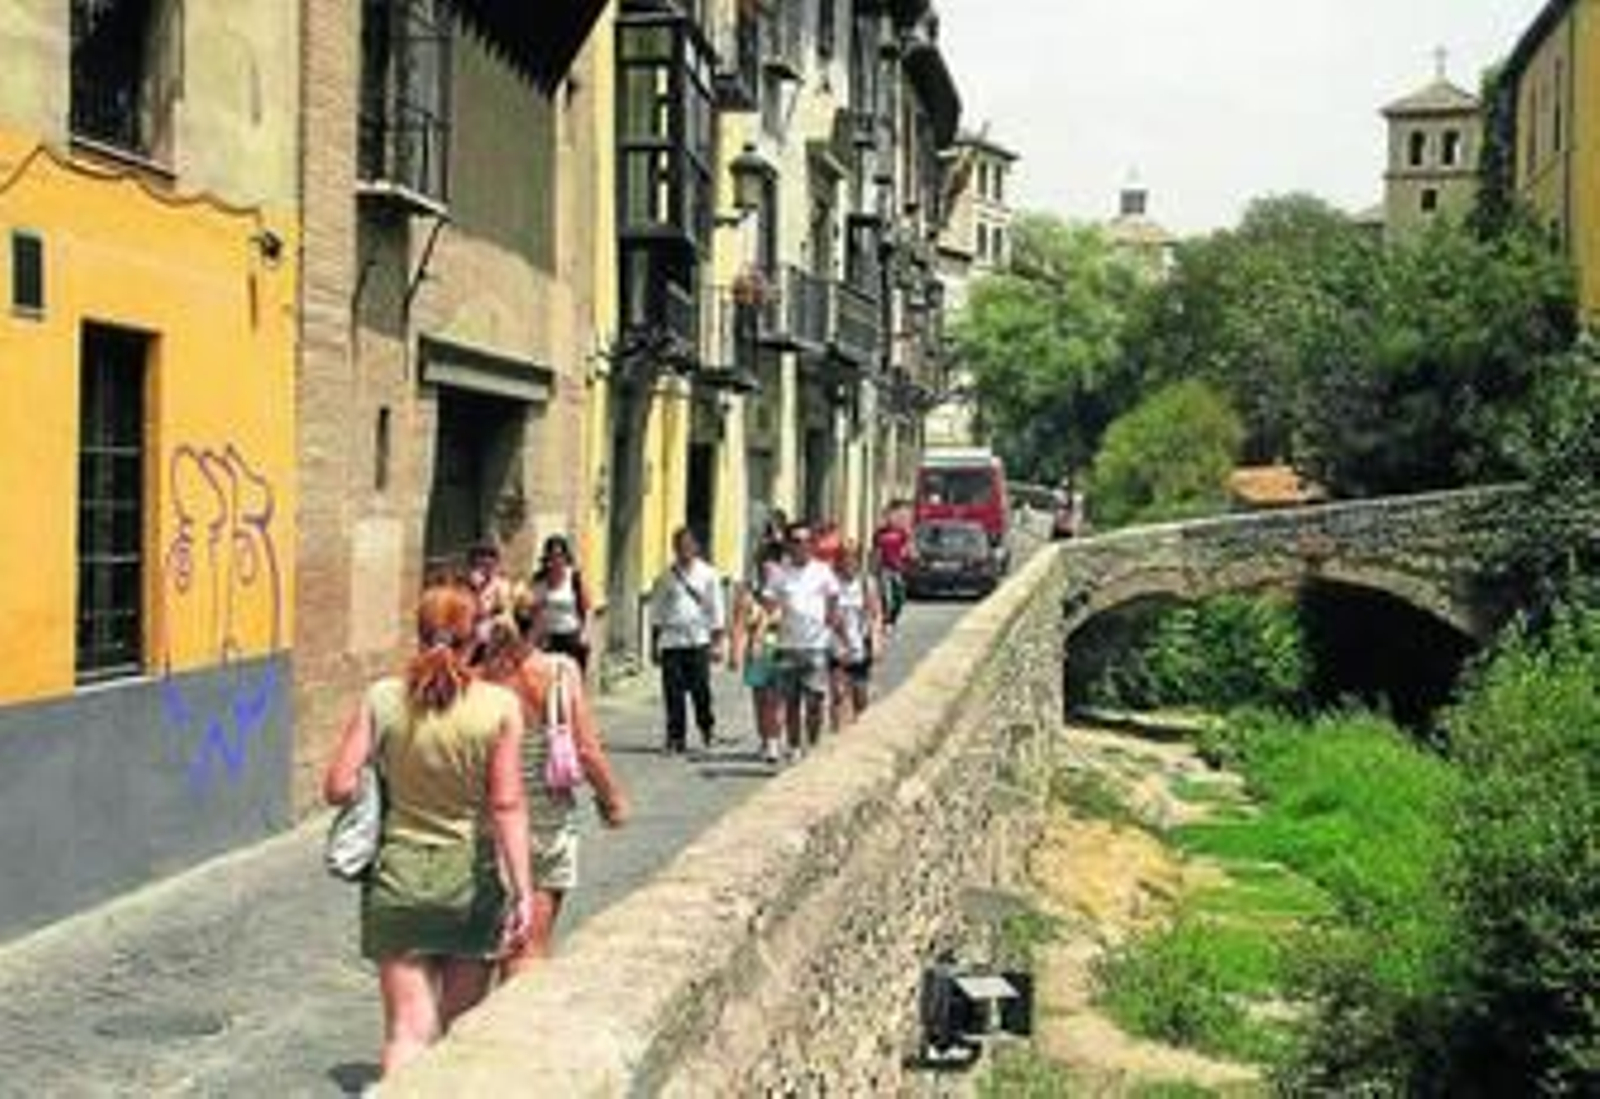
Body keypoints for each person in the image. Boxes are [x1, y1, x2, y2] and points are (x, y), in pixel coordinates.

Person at [322, 585, 534, 1078]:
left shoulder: (382, 698)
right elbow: (506, 804)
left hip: (397, 878)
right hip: (470, 882)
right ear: (475, 637)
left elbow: (337, 786)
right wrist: (523, 891)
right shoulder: (500, 706)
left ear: (418, 633)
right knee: (461, 1034)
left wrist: (378, 779)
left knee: (407, 1033)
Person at [479, 618, 627, 973]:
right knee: (528, 945)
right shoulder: (560, 672)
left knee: (481, 950)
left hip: (485, 816)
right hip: (545, 818)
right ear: (538, 627)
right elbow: (586, 750)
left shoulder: (475, 676)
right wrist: (612, 801)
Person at [648, 527, 727, 754]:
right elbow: (656, 611)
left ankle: (707, 729)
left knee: (701, 690)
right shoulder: (666, 576)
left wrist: (717, 642)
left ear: (696, 547)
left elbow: (716, 608)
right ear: (674, 549)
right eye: (680, 546)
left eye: (688, 546)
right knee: (673, 692)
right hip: (672, 641)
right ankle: (676, 737)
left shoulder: (708, 574)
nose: (684, 551)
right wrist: (654, 643)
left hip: (698, 640)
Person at [771, 520, 841, 760]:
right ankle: (793, 747)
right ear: (789, 545)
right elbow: (770, 604)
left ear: (812, 544)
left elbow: (833, 598)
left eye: (806, 541)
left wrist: (830, 624)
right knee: (791, 702)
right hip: (787, 646)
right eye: (796, 541)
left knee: (814, 700)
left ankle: (812, 744)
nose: (801, 546)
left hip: (816, 646)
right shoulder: (780, 573)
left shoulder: (823, 571)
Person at [830, 540, 885, 729]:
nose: (848, 562)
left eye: (852, 557)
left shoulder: (866, 584)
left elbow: (875, 614)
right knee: (838, 693)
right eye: (844, 557)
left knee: (860, 696)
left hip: (859, 645)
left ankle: (856, 726)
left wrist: (877, 641)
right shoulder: (830, 583)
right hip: (836, 647)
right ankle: (837, 733)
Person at [519, 534, 592, 673]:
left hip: (572, 637)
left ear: (566, 557)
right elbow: (534, 611)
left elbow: (587, 608)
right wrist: (531, 638)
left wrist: (585, 634)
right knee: (548, 678)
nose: (556, 559)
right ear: (546, 558)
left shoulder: (574, 577)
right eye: (551, 555)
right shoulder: (539, 580)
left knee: (572, 677)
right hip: (548, 639)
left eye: (559, 555)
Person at [871, 499, 914, 629]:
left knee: (900, 596)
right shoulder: (880, 533)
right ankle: (886, 619)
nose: (892, 519)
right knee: (885, 594)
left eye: (895, 516)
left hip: (898, 568)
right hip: (884, 568)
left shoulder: (902, 532)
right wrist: (875, 569)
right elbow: (876, 551)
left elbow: (908, 548)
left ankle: (893, 618)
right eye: (889, 516)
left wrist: (908, 554)